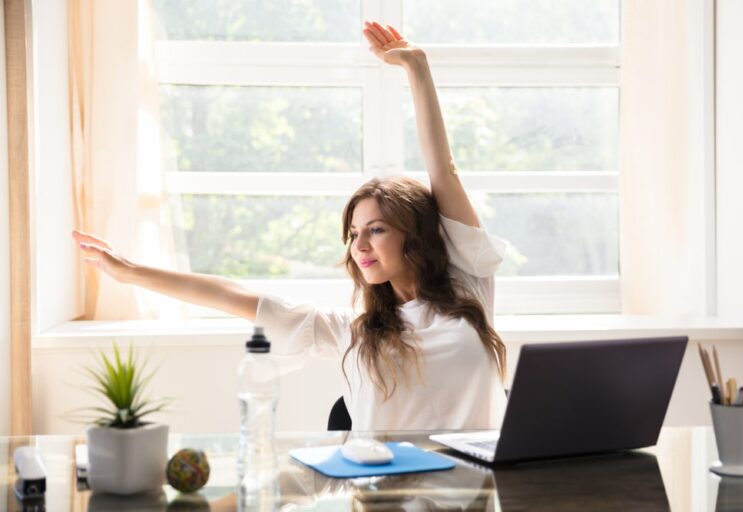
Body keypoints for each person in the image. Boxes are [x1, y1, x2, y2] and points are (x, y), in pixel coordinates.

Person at [74, 21, 508, 431]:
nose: (360, 245)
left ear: (414, 233)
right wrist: (129, 272)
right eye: (354, 234)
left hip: (477, 492)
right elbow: (234, 294)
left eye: (376, 230)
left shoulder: (468, 282)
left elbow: (443, 172)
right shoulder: (353, 331)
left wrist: (417, 69)